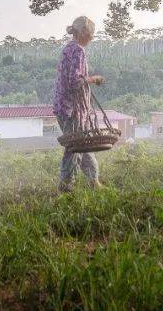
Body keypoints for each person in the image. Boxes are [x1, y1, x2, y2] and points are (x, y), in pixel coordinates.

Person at [52, 15, 105, 192]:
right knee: (75, 147)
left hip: (64, 106)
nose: (92, 37)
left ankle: (94, 181)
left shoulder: (68, 49)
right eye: (91, 33)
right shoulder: (78, 51)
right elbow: (75, 81)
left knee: (82, 143)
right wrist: (93, 79)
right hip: (71, 108)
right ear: (83, 32)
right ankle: (66, 187)